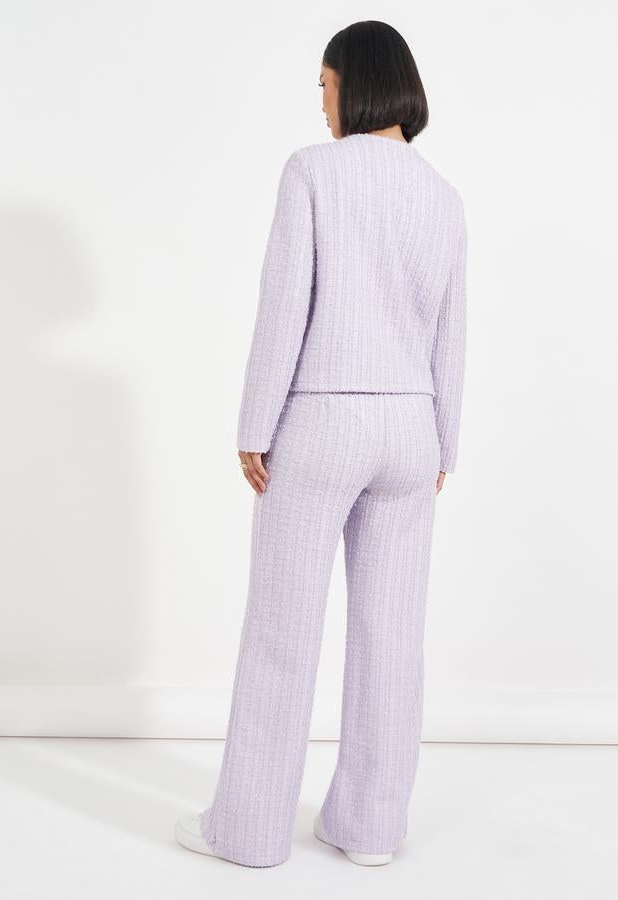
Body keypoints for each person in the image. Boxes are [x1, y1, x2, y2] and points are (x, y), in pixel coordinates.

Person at [176, 19, 467, 868]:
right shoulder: (443, 195)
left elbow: (285, 305)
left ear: (354, 83)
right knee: (392, 638)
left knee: (281, 630)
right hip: (412, 431)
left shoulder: (312, 171)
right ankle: (371, 830)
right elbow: (452, 331)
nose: (322, 102)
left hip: (322, 421)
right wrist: (446, 442)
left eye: (325, 84)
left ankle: (249, 830)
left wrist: (254, 425)